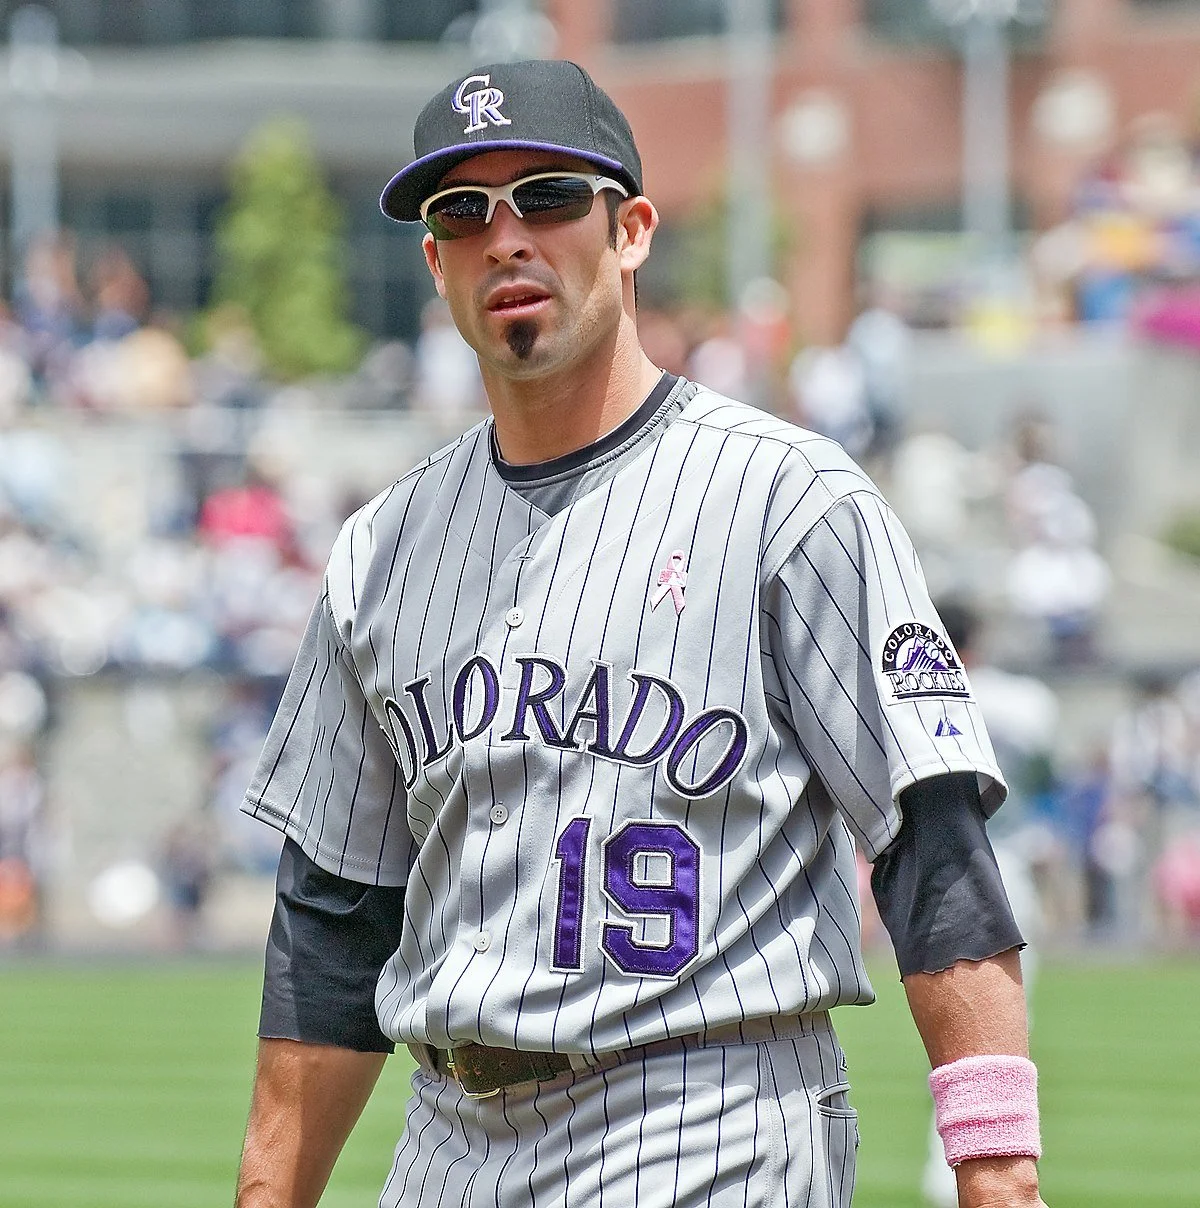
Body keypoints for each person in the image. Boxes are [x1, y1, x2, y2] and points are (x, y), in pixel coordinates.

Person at [234, 60, 1047, 1208]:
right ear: (436, 264)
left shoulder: (787, 498)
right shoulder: (381, 549)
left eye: (550, 196)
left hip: (712, 1110)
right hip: (449, 1139)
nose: (505, 237)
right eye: (461, 213)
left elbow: (930, 842)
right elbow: (333, 923)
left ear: (631, 231)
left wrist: (997, 1166)